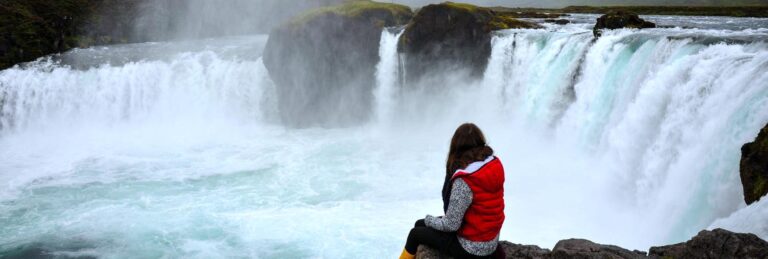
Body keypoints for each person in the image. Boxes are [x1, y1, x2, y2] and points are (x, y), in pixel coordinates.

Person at [399, 123, 505, 259]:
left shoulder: (465, 180)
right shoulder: (494, 165)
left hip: (472, 247)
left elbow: (451, 225)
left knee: (415, 234)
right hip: (491, 239)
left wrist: (429, 219)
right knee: (420, 224)